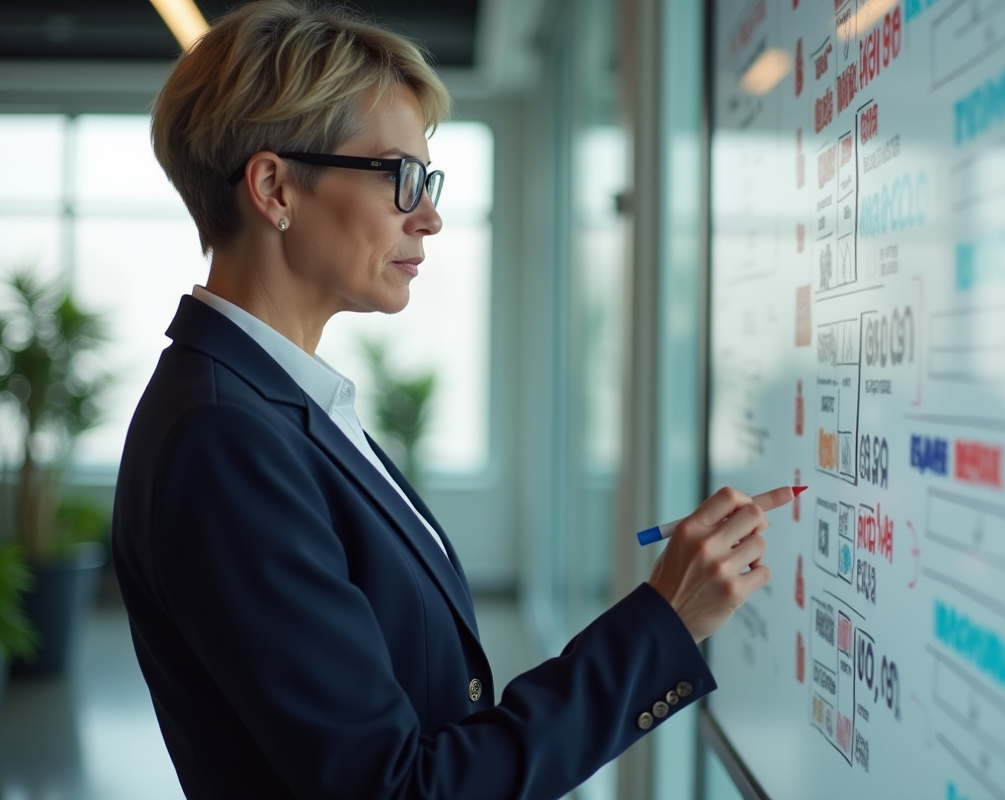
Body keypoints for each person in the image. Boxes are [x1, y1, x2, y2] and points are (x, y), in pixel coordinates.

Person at [112, 2, 783, 797]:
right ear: (274, 188)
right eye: (401, 178)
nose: (429, 217)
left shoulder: (271, 402)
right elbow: (395, 788)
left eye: (427, 180)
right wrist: (663, 623)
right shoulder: (225, 437)